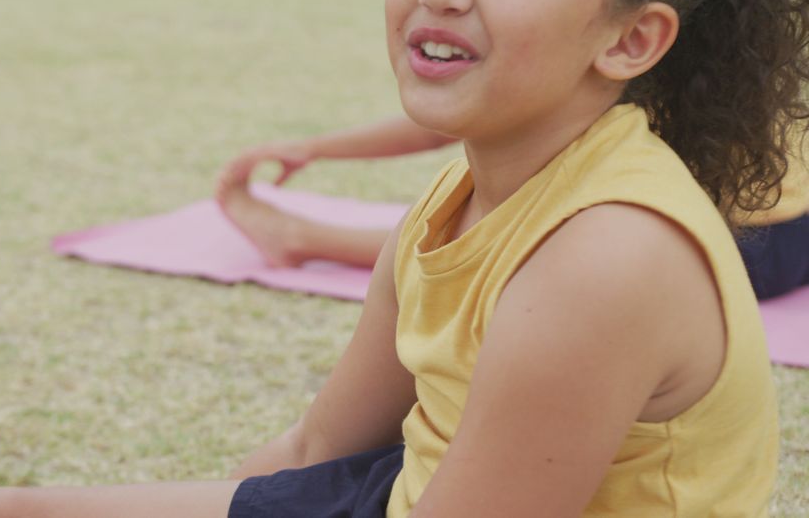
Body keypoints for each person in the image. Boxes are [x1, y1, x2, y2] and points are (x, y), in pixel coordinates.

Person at [0, 0, 807, 516]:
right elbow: (310, 455)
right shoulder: (452, 206)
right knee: (1, 513)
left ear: (632, 38)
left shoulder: (605, 258)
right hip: (397, 499)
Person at [217, 117, 809, 298]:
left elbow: (444, 122)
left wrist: (316, 146)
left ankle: (303, 238)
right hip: (796, 237)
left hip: (715, 257)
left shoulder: (615, 32)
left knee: (510, 193)